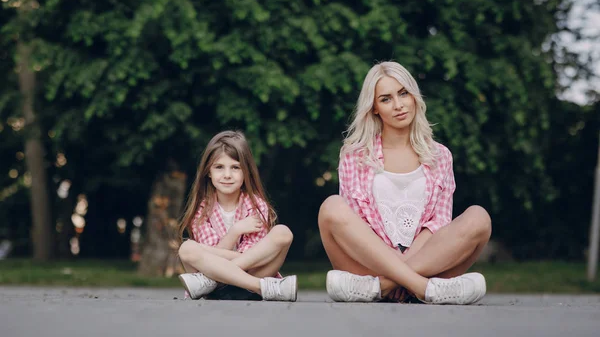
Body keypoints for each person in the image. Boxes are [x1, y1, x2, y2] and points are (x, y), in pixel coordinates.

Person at [318, 61, 491, 304]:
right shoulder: (354, 155)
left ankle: (382, 288)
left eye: (403, 93)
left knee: (479, 217)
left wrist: (402, 266)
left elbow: (438, 224)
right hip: (366, 267)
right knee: (331, 207)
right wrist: (398, 266)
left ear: (414, 97)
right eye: (386, 99)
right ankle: (426, 289)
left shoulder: (440, 156)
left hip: (423, 264)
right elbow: (358, 226)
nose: (398, 105)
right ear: (375, 107)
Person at [178, 130, 297, 301]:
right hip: (235, 286)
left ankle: (212, 280)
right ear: (208, 172)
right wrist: (235, 231)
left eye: (235, 167)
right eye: (219, 167)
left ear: (246, 172)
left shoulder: (256, 206)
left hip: (244, 273)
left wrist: (212, 261)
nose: (227, 175)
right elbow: (219, 257)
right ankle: (262, 288)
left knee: (283, 233)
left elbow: (251, 258)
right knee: (187, 249)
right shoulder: (201, 210)